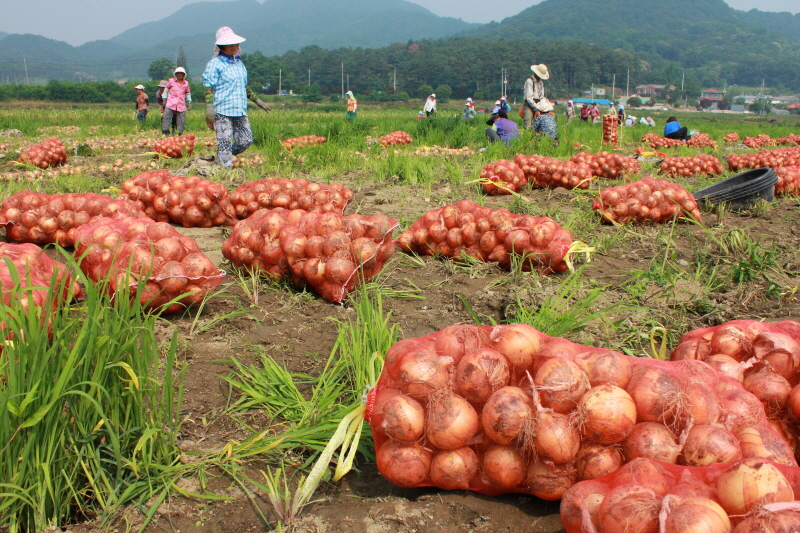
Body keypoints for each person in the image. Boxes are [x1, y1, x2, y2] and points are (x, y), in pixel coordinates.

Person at [202, 26, 271, 167]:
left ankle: (223, 157)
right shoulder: (215, 64)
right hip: (223, 110)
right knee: (225, 141)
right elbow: (208, 86)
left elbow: (244, 86)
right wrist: (209, 108)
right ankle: (224, 168)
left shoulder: (239, 64)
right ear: (221, 46)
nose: (234, 46)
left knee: (246, 141)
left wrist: (257, 100)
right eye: (230, 44)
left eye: (236, 44)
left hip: (239, 110)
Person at [162, 67, 191, 136]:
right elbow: (166, 90)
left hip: (181, 104)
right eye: (178, 74)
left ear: (184, 75)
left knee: (181, 119)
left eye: (181, 74)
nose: (179, 75)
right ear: (175, 75)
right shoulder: (171, 81)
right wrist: (164, 98)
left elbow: (187, 93)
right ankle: (165, 131)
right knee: (166, 117)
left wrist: (189, 101)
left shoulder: (186, 83)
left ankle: (179, 132)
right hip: (171, 103)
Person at [523, 63, 549, 129]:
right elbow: (529, 98)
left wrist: (542, 107)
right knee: (528, 124)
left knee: (538, 125)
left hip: (538, 104)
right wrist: (536, 109)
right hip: (529, 105)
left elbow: (542, 96)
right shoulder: (529, 81)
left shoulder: (541, 83)